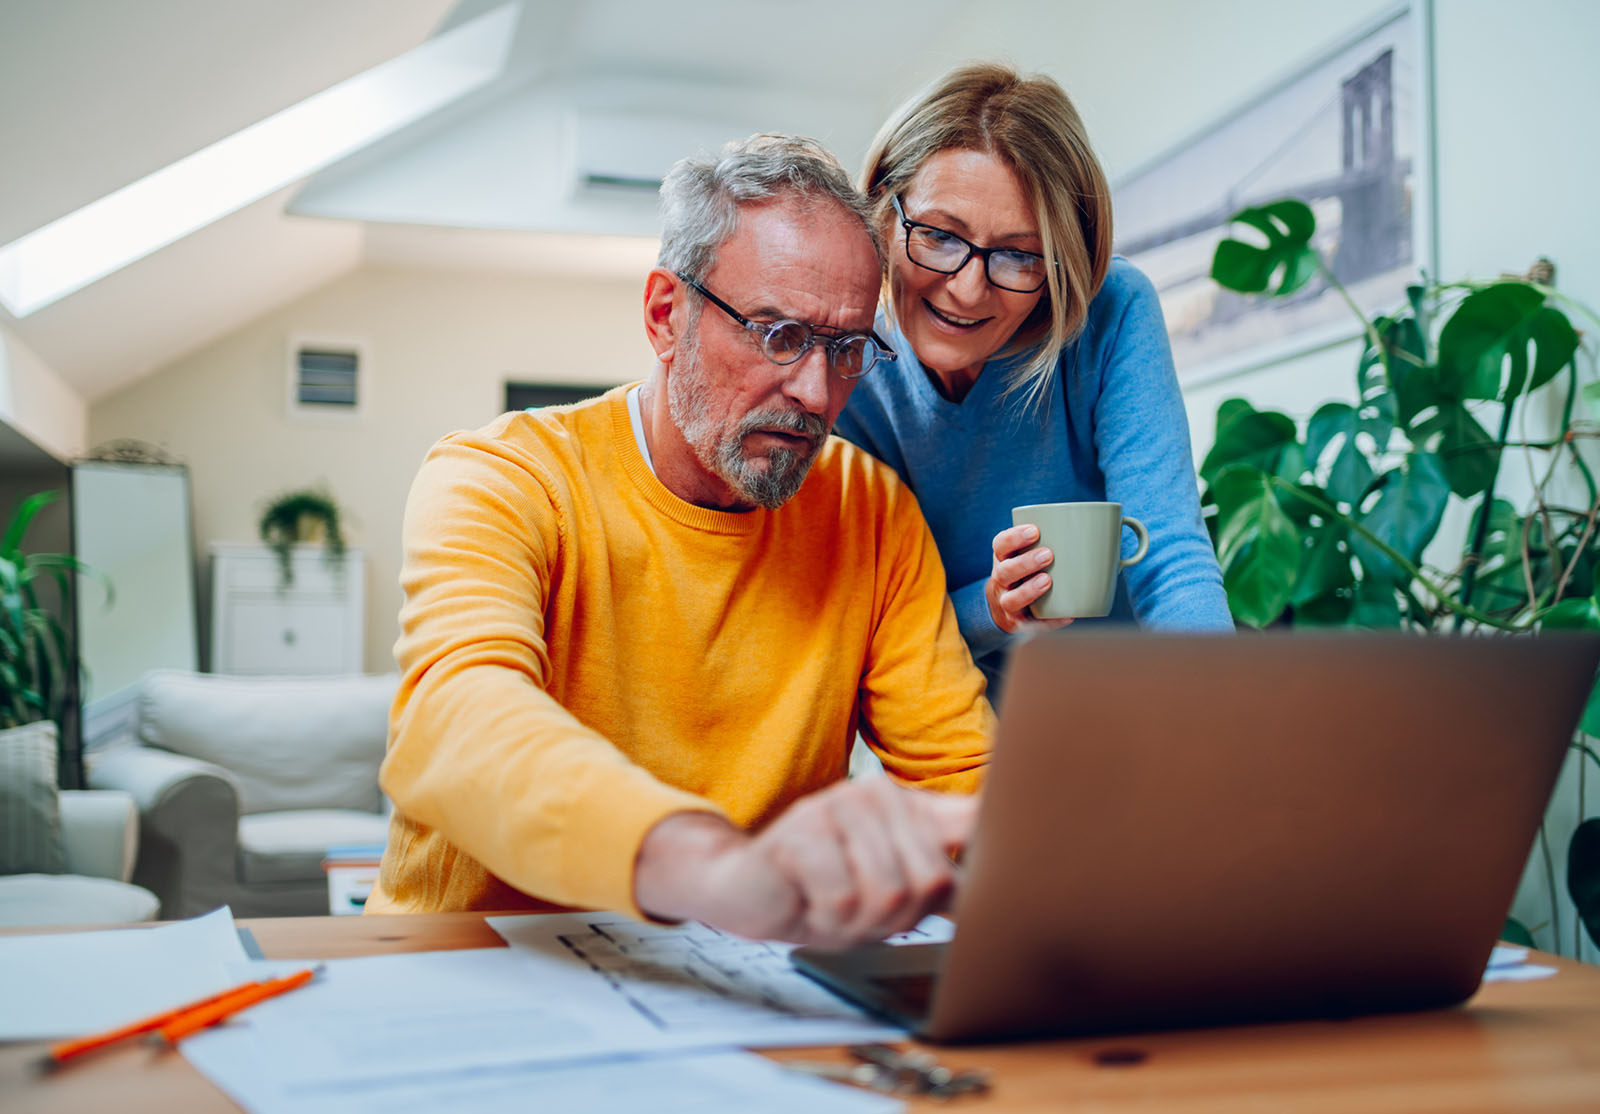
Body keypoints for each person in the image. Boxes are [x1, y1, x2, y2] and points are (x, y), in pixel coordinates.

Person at [369, 135, 992, 950]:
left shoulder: (871, 511)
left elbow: (965, 784)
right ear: (667, 314)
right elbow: (457, 719)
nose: (814, 391)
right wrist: (720, 871)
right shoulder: (503, 476)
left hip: (738, 987)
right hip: (472, 968)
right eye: (778, 334)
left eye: (845, 350)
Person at [834, 64, 1232, 696]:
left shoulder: (1111, 312)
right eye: (938, 236)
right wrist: (990, 608)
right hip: (960, 742)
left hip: (1134, 712)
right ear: (882, 211)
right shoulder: (846, 372)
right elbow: (873, 636)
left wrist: (1229, 714)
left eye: (1019, 255)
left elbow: (1172, 560)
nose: (967, 289)